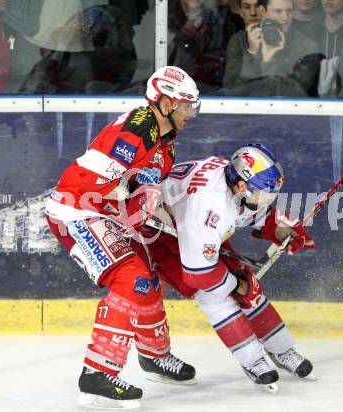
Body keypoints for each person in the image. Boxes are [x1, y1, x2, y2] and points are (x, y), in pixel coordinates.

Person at [45, 66, 201, 410]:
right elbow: (100, 186)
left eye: (193, 106)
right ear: (164, 102)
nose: (191, 113)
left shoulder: (164, 146)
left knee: (147, 278)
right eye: (186, 105)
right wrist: (135, 202)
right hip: (76, 210)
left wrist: (166, 220)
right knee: (131, 279)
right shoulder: (137, 128)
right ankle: (97, 373)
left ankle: (153, 356)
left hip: (103, 212)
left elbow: (140, 196)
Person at [130, 144, 315, 391]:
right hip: (156, 232)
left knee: (249, 287)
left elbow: (248, 211)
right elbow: (200, 274)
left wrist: (278, 229)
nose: (268, 200)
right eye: (265, 194)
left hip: (184, 221)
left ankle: (281, 350)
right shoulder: (210, 208)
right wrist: (237, 285)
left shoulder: (233, 182)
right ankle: (253, 360)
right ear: (241, 186)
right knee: (214, 295)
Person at [223, 0, 318, 95]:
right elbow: (230, 87)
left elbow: (293, 95)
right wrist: (251, 53)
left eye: (289, 11)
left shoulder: (307, 46)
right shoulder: (240, 41)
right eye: (278, 11)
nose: (285, 18)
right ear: (262, 11)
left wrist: (268, 62)